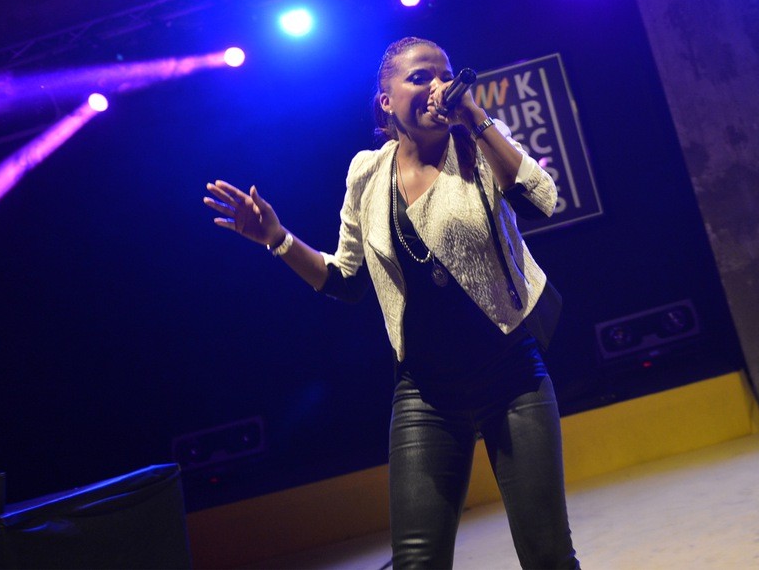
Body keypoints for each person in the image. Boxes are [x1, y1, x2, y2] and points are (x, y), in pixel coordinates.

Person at [204, 36, 579, 569]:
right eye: (420, 77)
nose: (438, 86)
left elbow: (541, 201)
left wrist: (475, 117)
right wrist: (277, 238)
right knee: (417, 563)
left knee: (548, 557)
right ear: (386, 101)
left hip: (511, 375)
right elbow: (346, 279)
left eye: (444, 74)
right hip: (425, 392)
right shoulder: (367, 173)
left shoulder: (477, 143)